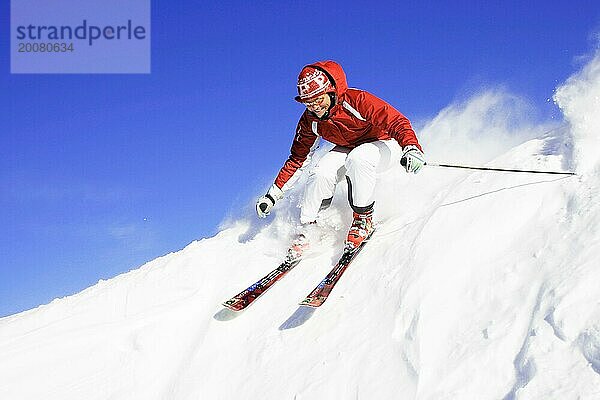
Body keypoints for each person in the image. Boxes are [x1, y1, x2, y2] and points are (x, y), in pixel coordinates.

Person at [256, 60, 425, 253]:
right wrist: (272, 195)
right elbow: (297, 159)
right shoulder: (310, 120)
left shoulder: (356, 100)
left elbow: (396, 121)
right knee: (321, 171)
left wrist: (411, 147)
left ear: (331, 91)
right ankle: (309, 227)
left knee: (359, 158)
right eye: (308, 103)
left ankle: (363, 219)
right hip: (349, 148)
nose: (315, 107)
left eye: (318, 100)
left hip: (386, 144)